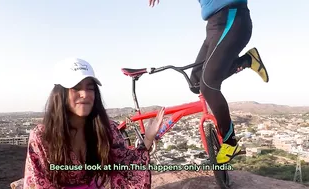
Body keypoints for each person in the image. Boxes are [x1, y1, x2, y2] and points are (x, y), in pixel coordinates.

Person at [148, 0, 269, 164]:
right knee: (196, 84)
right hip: (214, 26)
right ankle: (247, 60)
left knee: (209, 86)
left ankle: (230, 142)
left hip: (232, 17)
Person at [23, 57, 165, 189]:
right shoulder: (42, 137)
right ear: (61, 94)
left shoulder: (106, 129)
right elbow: (37, 182)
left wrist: (148, 138)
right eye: (76, 87)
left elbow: (126, 164)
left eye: (90, 87)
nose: (84, 94)